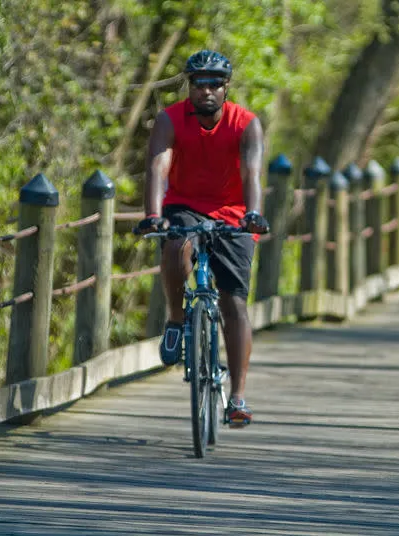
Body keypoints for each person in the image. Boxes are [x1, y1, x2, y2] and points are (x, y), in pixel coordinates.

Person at [135, 50, 270, 427]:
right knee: (176, 247)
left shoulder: (246, 123)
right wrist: (153, 216)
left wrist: (253, 216)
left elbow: (252, 174)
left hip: (234, 212)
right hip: (185, 204)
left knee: (234, 303)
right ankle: (177, 321)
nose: (206, 91)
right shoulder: (169, 119)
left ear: (226, 87)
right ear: (189, 86)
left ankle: (238, 397)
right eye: (199, 83)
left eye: (214, 83)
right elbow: (158, 168)